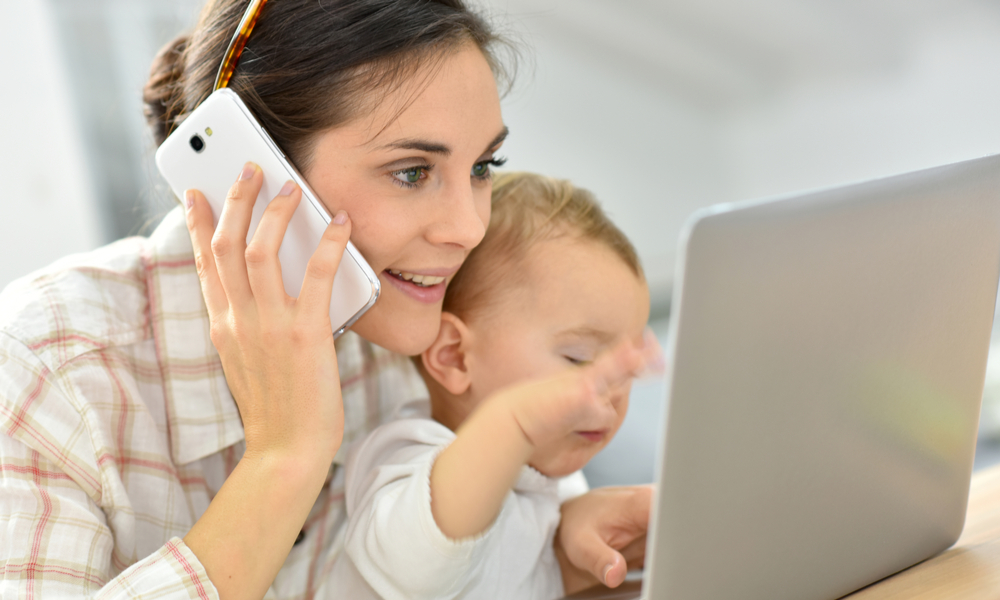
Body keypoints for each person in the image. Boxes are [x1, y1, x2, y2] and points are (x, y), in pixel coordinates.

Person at [0, 1, 650, 599]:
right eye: (412, 173)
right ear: (247, 172)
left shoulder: (419, 329)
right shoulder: (45, 369)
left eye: (483, 168)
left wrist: (552, 543)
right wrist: (285, 460)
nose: (468, 228)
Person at [331, 172, 659, 599]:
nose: (611, 392)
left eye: (624, 372)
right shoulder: (404, 460)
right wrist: (516, 422)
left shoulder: (556, 483)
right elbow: (424, 563)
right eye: (577, 358)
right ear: (455, 356)